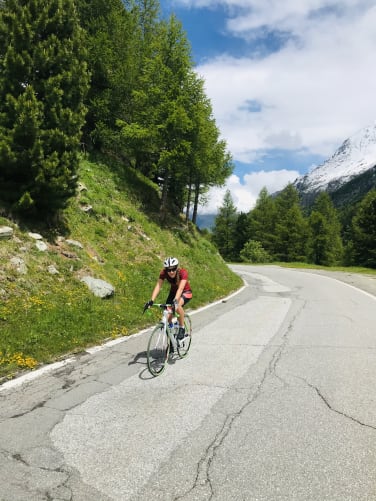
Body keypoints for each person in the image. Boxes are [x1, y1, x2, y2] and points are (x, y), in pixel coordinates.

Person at [144, 257, 192, 339]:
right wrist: (151, 300)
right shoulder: (163, 273)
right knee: (168, 316)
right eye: (168, 270)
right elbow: (158, 286)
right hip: (173, 293)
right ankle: (172, 340)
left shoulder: (183, 272)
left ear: (177, 267)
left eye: (173, 269)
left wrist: (176, 300)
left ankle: (182, 328)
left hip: (185, 292)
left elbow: (180, 289)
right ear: (166, 270)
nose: (171, 272)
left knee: (177, 306)